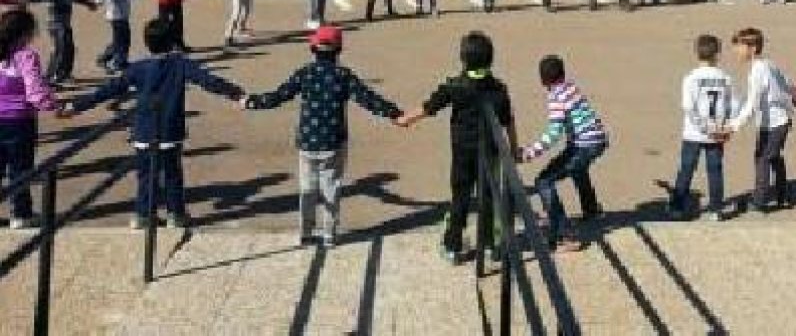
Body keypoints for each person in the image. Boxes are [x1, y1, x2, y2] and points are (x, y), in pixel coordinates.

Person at [69, 18, 245, 229]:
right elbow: (208, 81)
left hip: (144, 130)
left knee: (146, 176)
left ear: (146, 42)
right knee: (172, 174)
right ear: (173, 42)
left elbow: (109, 89)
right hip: (170, 130)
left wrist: (77, 105)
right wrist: (236, 93)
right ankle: (176, 214)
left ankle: (144, 214)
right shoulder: (181, 63)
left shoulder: (138, 67)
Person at [244, 26, 402, 248]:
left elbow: (279, 95)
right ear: (339, 50)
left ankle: (306, 232)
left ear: (312, 48)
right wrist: (394, 113)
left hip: (308, 141)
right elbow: (368, 98)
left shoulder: (305, 73)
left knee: (307, 189)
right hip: (333, 141)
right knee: (332, 187)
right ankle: (329, 234)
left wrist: (253, 101)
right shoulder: (343, 75)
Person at [399, 31, 517, 263]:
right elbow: (508, 121)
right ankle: (491, 246)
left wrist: (406, 119)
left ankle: (453, 245)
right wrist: (514, 148)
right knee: (489, 195)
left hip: (463, 151)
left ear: (463, 59)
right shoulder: (499, 89)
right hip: (491, 150)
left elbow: (430, 106)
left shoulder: (455, 86)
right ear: (490, 58)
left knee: (460, 196)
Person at [519, 56, 608, 252]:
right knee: (578, 168)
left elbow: (554, 133)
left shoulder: (556, 97)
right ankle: (591, 210)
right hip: (597, 139)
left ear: (543, 80)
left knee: (544, 181)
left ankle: (564, 233)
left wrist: (529, 153)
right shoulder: (570, 87)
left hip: (584, 144)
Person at [0, 10, 62, 229]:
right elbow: (34, 90)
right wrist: (53, 105)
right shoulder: (26, 56)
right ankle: (21, 214)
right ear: (26, 33)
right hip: (19, 122)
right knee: (20, 169)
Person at [668, 35, 736, 221]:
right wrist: (726, 125)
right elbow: (731, 104)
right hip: (716, 130)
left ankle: (677, 207)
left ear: (697, 53)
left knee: (687, 169)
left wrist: (701, 125)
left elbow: (688, 107)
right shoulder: (725, 78)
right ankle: (716, 208)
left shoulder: (691, 78)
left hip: (694, 133)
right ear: (717, 55)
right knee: (715, 170)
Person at [728, 28, 795, 213]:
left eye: (739, 47)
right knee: (774, 157)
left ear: (753, 48)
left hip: (775, 123)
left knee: (763, 159)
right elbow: (786, 82)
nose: (736, 51)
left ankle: (760, 200)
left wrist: (734, 126)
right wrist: (795, 94)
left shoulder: (758, 70)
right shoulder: (769, 64)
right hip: (776, 121)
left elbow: (752, 103)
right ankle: (782, 195)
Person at [27, 0, 98, 85]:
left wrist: (88, 3)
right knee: (60, 48)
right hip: (55, 23)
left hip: (65, 22)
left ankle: (64, 74)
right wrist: (26, 0)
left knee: (69, 48)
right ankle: (51, 77)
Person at [94, 0, 138, 73]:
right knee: (122, 40)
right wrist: (98, 1)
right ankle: (118, 62)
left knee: (120, 40)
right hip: (115, 15)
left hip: (123, 15)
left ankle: (105, 58)